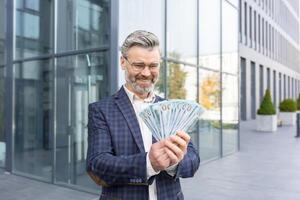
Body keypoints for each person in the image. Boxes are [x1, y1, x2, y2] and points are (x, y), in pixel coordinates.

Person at [87, 30, 200, 200]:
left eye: (153, 66)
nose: (146, 73)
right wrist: (148, 163)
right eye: (139, 65)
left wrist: (174, 163)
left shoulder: (170, 109)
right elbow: (97, 165)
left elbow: (193, 159)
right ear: (123, 62)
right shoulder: (101, 110)